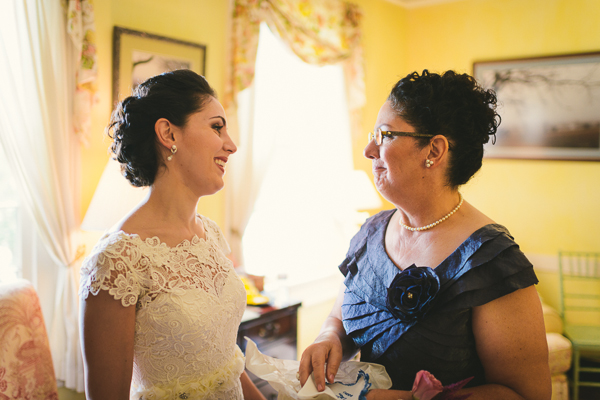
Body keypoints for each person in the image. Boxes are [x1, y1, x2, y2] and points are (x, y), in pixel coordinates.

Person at [298, 70, 551, 400]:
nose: (369, 149)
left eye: (385, 135)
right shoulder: (370, 233)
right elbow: (341, 313)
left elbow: (527, 395)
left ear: (434, 150)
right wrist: (329, 336)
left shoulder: (493, 261)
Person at [79, 70, 265, 400]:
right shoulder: (118, 259)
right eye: (216, 126)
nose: (231, 145)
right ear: (168, 133)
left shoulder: (210, 233)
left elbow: (226, 365)